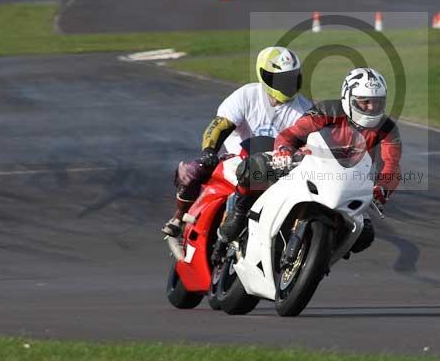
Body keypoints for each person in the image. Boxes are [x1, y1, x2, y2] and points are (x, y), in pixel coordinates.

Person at [215, 67, 402, 255]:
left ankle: (322, 256)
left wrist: (382, 188)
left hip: (350, 181)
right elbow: (293, 133)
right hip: (305, 164)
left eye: (377, 103)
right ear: (349, 98)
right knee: (254, 169)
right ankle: (238, 214)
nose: (371, 107)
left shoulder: (387, 129)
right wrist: (284, 151)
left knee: (364, 236)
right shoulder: (327, 109)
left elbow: (391, 164)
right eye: (365, 102)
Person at [162, 46, 312, 237]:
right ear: (266, 76)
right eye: (282, 79)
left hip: (277, 171)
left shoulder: (305, 109)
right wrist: (209, 151)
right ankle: (178, 217)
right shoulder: (247, 95)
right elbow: (219, 125)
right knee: (191, 171)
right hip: (234, 162)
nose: (288, 84)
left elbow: (313, 144)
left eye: (292, 78)